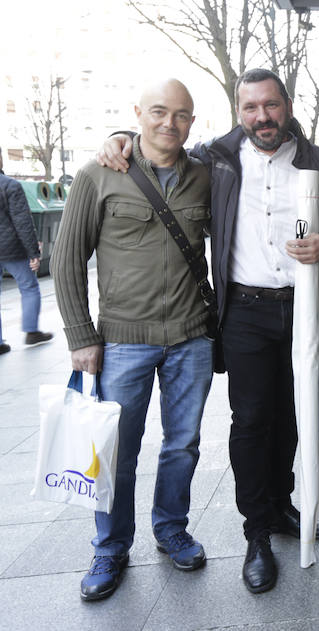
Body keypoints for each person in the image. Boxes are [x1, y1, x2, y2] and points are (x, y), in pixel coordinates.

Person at [98, 68, 319, 594]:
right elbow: (160, 144)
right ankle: (256, 533)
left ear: (287, 104)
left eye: (271, 105)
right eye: (251, 107)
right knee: (252, 419)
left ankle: (281, 505)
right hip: (246, 312)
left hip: (303, 307)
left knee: (291, 413)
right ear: (238, 111)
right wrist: (120, 135)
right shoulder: (216, 159)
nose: (262, 116)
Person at [53, 79, 212, 601]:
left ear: (192, 122)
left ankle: (171, 529)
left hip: (191, 337)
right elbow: (66, 258)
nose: (170, 123)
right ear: (137, 114)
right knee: (114, 451)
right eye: (160, 112)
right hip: (122, 341)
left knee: (182, 445)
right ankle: (111, 546)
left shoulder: (205, 179)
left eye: (182, 115)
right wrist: (80, 334)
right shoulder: (99, 173)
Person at [0, 157, 54, 355]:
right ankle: (32, 331)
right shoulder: (10, 185)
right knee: (29, 287)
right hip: (12, 248)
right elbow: (22, 220)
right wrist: (33, 252)